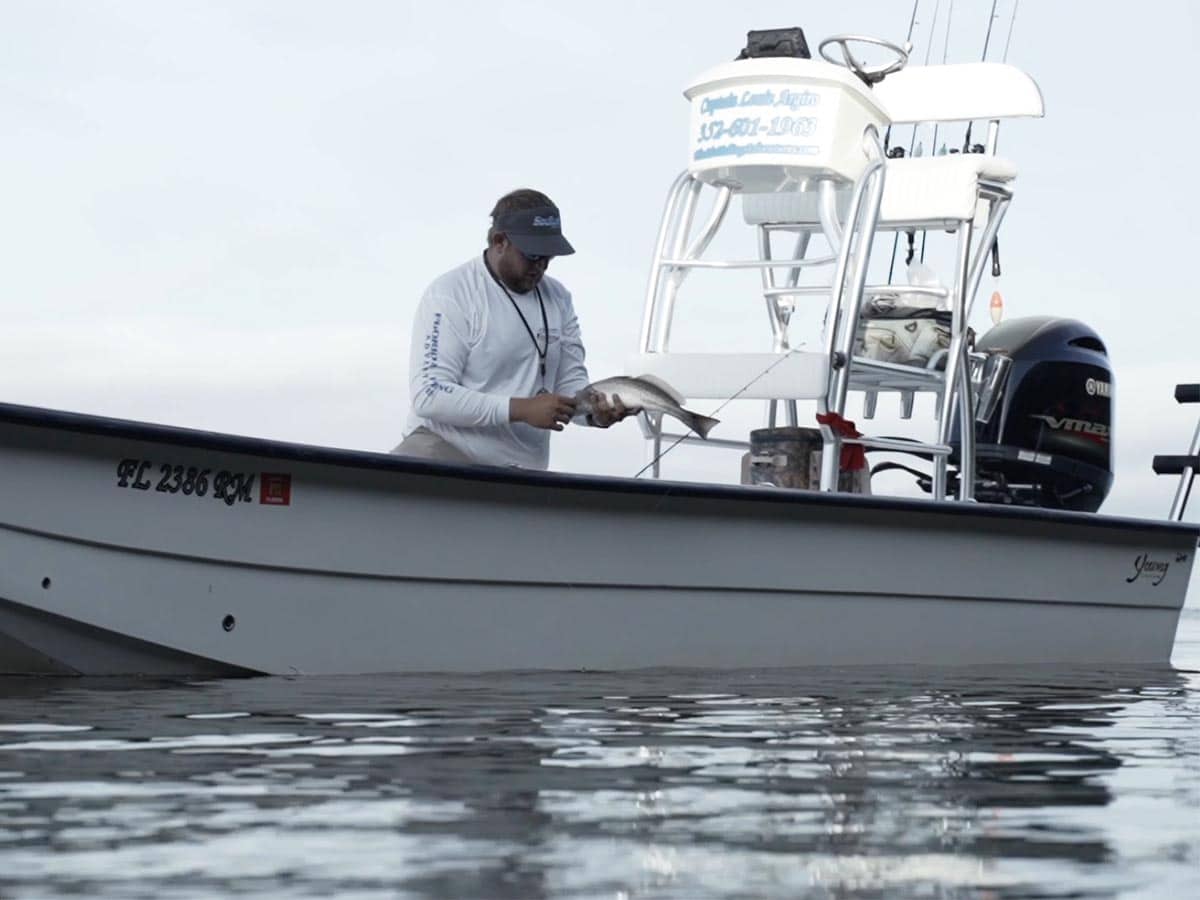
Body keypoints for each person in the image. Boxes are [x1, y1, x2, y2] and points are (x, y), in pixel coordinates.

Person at [394, 188, 633, 468]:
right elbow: (429, 394)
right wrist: (521, 409)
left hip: (518, 474)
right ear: (499, 242)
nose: (541, 266)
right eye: (533, 255)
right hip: (443, 455)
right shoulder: (450, 294)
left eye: (549, 257)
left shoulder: (559, 298)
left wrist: (594, 414)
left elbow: (570, 387)